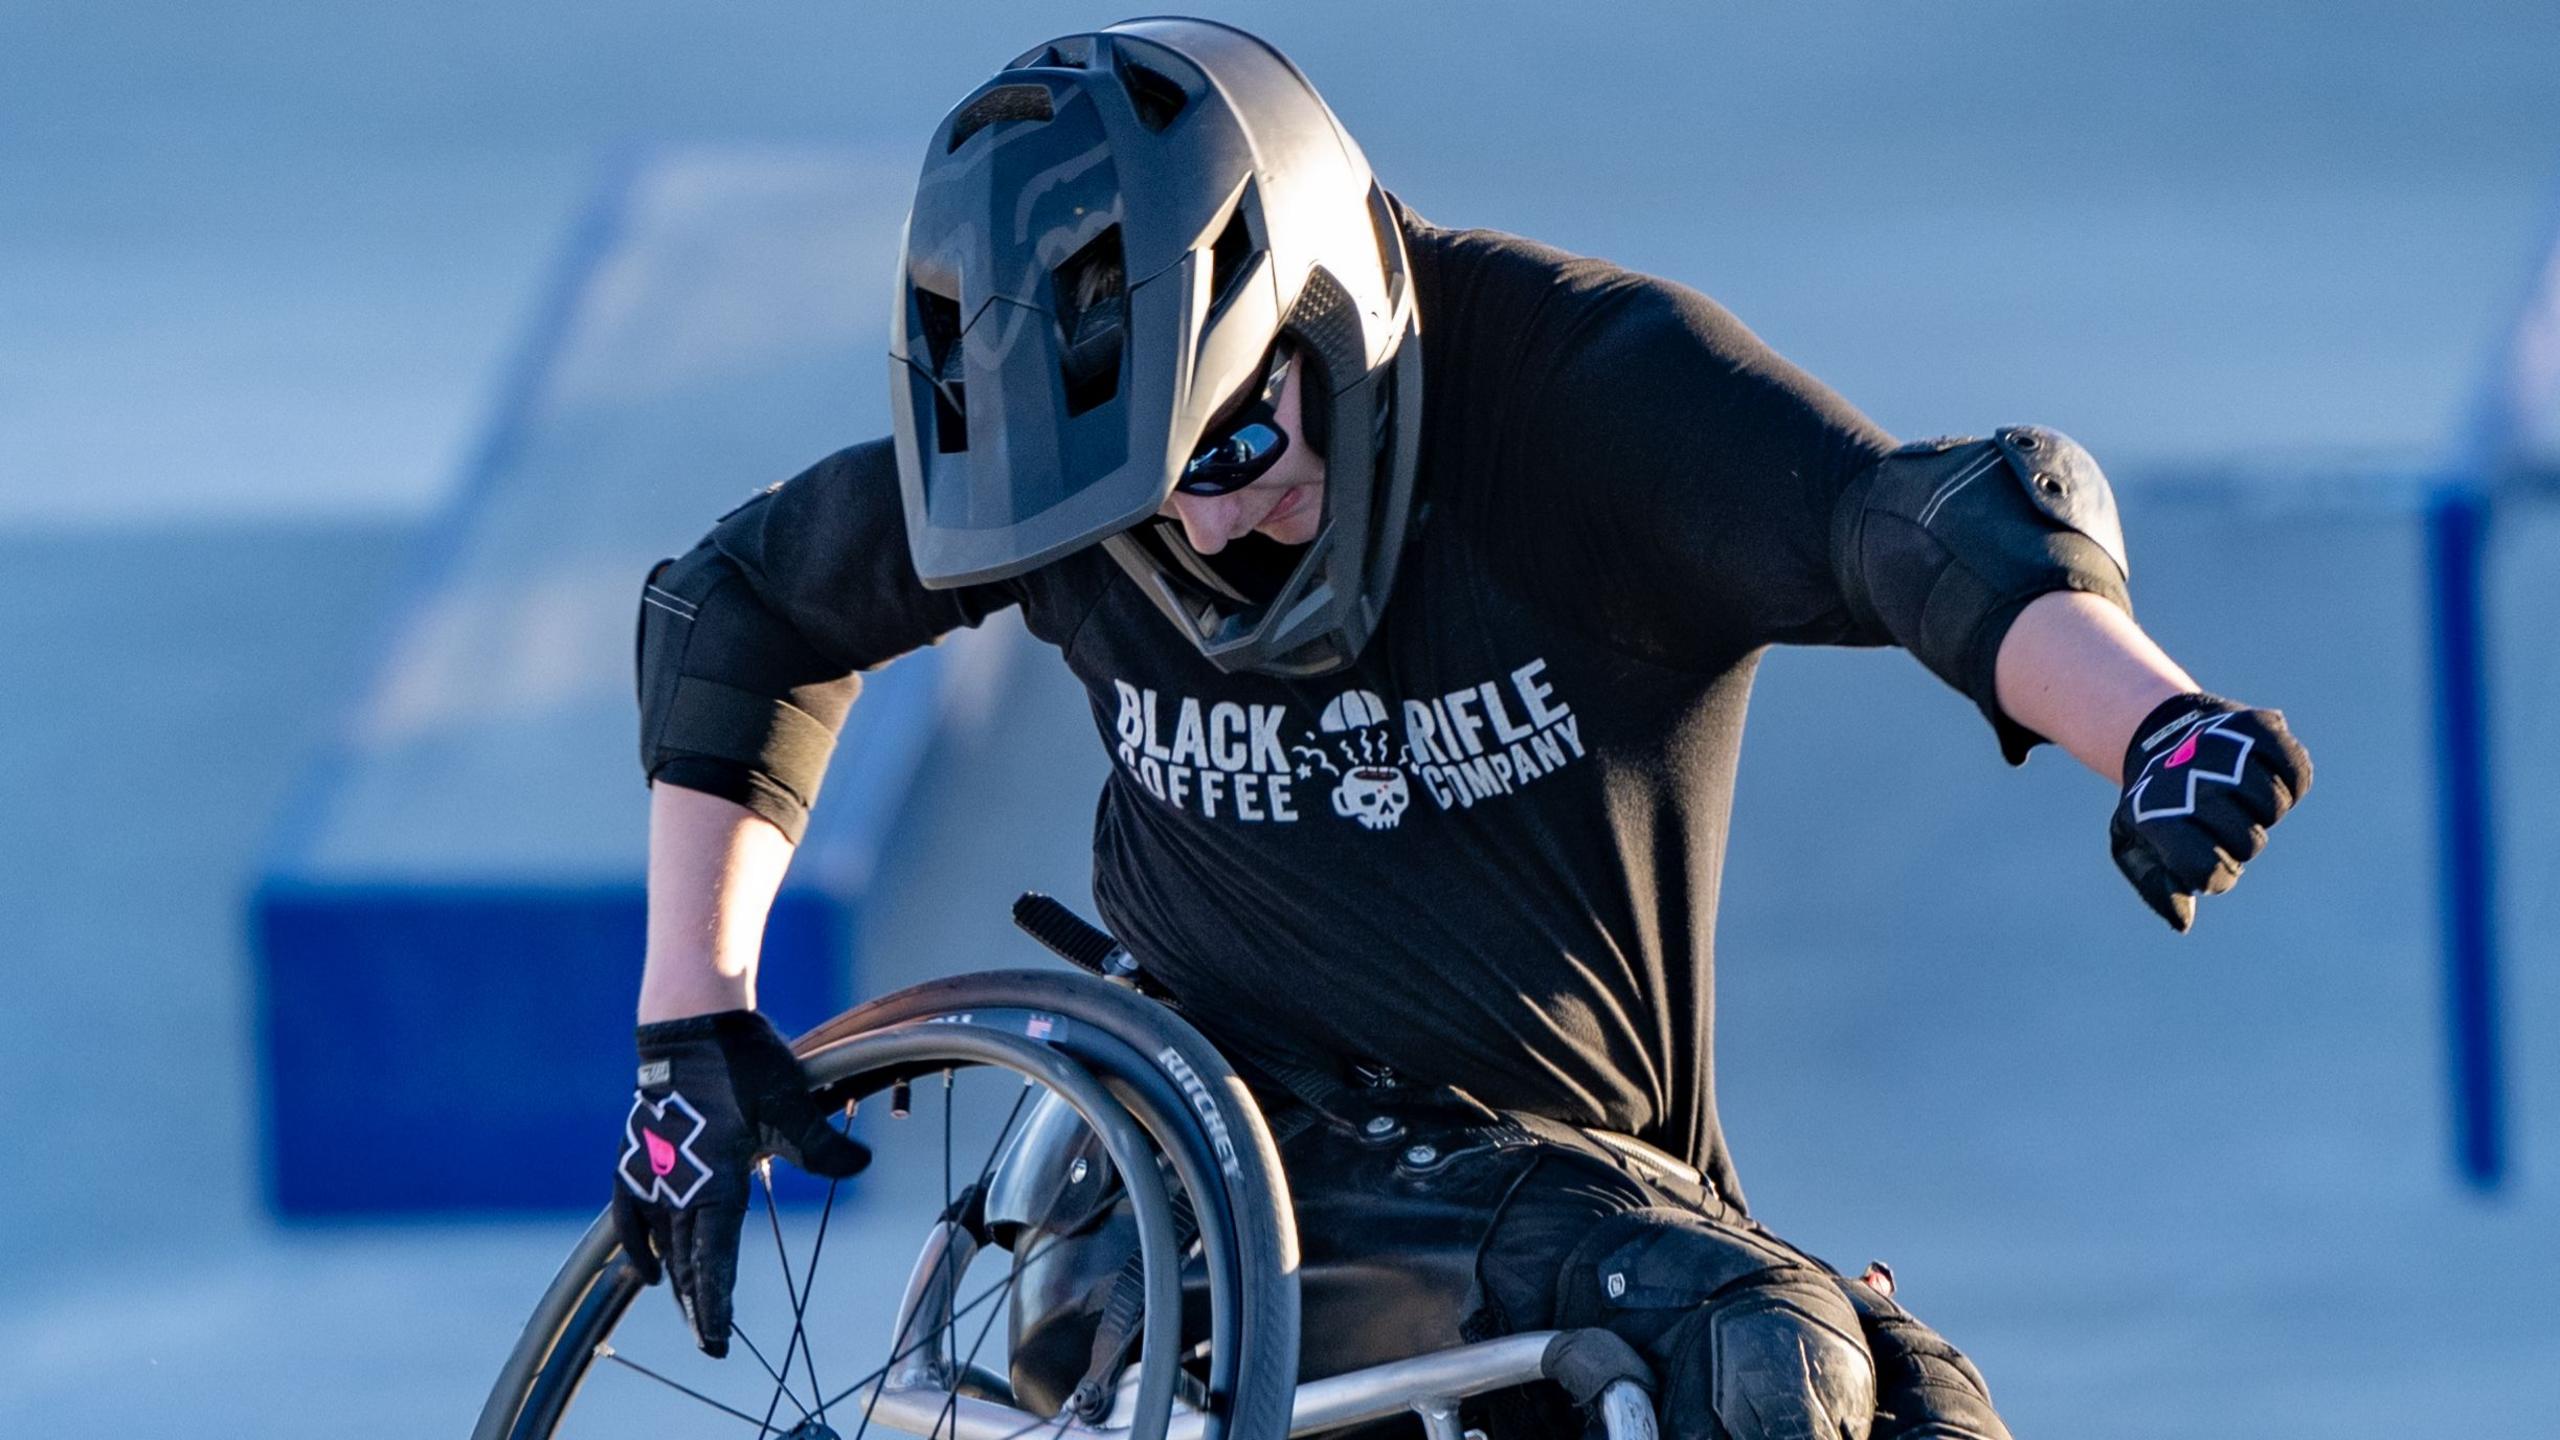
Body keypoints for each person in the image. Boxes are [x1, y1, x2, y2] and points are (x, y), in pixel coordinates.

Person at [609, 18, 2312, 1440]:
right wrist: (690, 1031)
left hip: (1574, 1184)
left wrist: (2149, 720)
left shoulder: (1575, 396)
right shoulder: (1069, 476)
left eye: (1221, 456)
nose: (1197, 533)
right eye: (1138, 503)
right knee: (1730, 1344)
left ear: (1330, 316)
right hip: (1185, 1209)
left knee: (1903, 1401)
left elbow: (1910, 526)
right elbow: (733, 612)